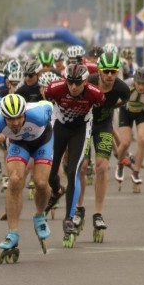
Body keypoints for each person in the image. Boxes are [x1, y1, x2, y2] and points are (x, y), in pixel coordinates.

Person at [43, 64, 105, 247]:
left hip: (80, 129)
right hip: (59, 126)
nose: (74, 86)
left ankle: (69, 218)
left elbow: (103, 107)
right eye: (70, 82)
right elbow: (47, 100)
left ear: (85, 81)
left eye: (78, 83)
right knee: (50, 172)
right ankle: (57, 191)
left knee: (73, 170)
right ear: (65, 80)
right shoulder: (54, 88)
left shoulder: (95, 94)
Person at [0, 94, 54, 262]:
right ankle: (12, 232)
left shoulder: (39, 115)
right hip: (19, 143)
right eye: (10, 119)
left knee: (40, 182)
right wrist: (0, 137)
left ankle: (39, 215)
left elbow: (50, 106)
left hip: (43, 140)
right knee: (15, 180)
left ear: (24, 113)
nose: (16, 123)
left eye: (19, 117)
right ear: (3, 117)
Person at [79, 52, 132, 237]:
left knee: (102, 167)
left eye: (113, 72)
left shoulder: (122, 89)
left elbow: (123, 100)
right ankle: (79, 208)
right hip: (83, 126)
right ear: (99, 71)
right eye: (106, 71)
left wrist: (110, 108)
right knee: (82, 166)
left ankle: (98, 213)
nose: (110, 75)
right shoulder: (88, 82)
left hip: (103, 125)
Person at [116, 67, 144, 189]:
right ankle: (120, 163)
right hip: (126, 111)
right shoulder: (126, 86)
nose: (141, 87)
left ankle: (136, 172)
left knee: (143, 140)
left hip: (143, 112)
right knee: (125, 143)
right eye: (138, 83)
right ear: (134, 81)